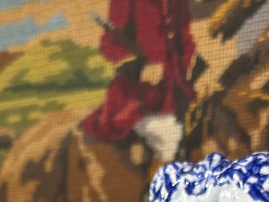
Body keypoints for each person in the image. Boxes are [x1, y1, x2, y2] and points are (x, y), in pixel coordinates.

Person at [81, 0, 195, 162]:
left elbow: (184, 35)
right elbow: (110, 48)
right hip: (141, 90)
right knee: (167, 141)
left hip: (177, 79)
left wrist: (187, 65)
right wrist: (143, 64)